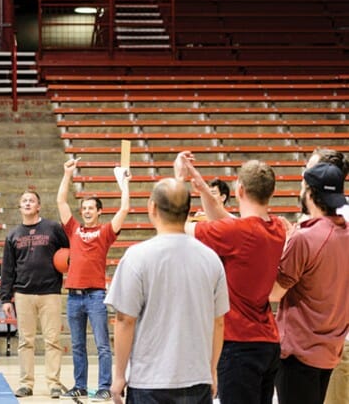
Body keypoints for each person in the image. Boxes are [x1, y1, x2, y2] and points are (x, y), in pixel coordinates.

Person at [106, 178, 229, 404]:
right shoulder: (211, 259)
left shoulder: (136, 257)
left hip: (149, 382)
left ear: (152, 207)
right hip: (197, 380)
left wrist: (119, 376)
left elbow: (124, 320)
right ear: (188, 210)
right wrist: (211, 371)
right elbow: (218, 321)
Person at [177, 153, 287, 404]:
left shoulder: (238, 231)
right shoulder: (277, 227)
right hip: (267, 341)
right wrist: (202, 187)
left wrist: (178, 181)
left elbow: (176, 225)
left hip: (240, 344)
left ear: (239, 190)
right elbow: (228, 221)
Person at [269, 161, 349, 404]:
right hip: (330, 348)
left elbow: (274, 293)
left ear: (311, 194)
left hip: (299, 351)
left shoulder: (304, 238)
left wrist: (283, 246)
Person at [56, 158, 131, 401]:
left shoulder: (106, 232)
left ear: (99, 211)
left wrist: (125, 186)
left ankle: (104, 387)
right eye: (84, 208)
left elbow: (124, 210)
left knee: (101, 346)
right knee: (77, 345)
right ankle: (79, 385)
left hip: (96, 295)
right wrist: (67, 174)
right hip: (74, 296)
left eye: (91, 208)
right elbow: (60, 201)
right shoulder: (74, 230)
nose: (86, 211)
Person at [0, 190, 70, 399]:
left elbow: (69, 253)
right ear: (20, 207)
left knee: (53, 340)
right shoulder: (13, 235)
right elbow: (7, 269)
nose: (28, 203)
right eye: (24, 201)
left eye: (32, 200)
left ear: (38, 206)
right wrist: (5, 298)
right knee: (25, 341)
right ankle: (25, 384)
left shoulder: (53, 228)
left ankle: (54, 384)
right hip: (23, 294)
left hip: (50, 293)